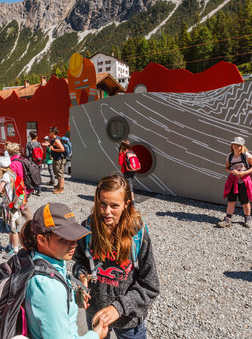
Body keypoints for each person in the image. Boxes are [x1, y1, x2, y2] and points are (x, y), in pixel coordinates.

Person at [73, 175, 160, 339]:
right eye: (102, 204)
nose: (106, 211)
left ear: (126, 205)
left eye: (114, 206)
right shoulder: (88, 227)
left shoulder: (138, 235)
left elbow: (151, 286)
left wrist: (119, 308)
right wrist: (82, 277)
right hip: (94, 312)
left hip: (128, 320)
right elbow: (79, 261)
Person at [20, 202, 109, 339]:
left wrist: (73, 298)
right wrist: (95, 335)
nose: (74, 243)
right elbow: (50, 297)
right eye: (63, 238)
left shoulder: (37, 260)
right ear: (42, 240)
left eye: (74, 236)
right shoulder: (48, 287)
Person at [217, 136, 252, 228]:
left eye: (238, 144)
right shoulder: (230, 156)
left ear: (242, 146)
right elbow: (227, 168)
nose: (235, 146)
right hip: (233, 181)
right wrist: (231, 172)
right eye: (234, 144)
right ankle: (227, 219)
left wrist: (244, 172)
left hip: (244, 181)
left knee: (245, 201)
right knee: (231, 200)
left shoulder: (246, 155)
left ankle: (248, 219)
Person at [0, 156, 33, 259]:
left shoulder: (5, 176)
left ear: (1, 167)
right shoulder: (14, 174)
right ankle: (10, 245)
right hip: (14, 205)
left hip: (10, 206)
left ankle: (15, 249)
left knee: (13, 229)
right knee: (10, 227)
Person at [48, 127, 66, 194]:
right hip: (56, 158)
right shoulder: (54, 139)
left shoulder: (56, 140)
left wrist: (53, 150)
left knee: (60, 173)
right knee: (57, 173)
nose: (49, 133)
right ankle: (59, 186)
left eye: (49, 132)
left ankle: (61, 189)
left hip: (59, 159)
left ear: (53, 133)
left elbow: (62, 149)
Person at [24, 131, 43, 196]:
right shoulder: (38, 143)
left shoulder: (28, 144)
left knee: (32, 175)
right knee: (38, 175)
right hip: (39, 161)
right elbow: (42, 151)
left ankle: (33, 189)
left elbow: (27, 154)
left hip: (32, 162)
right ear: (36, 137)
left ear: (30, 136)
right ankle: (39, 190)